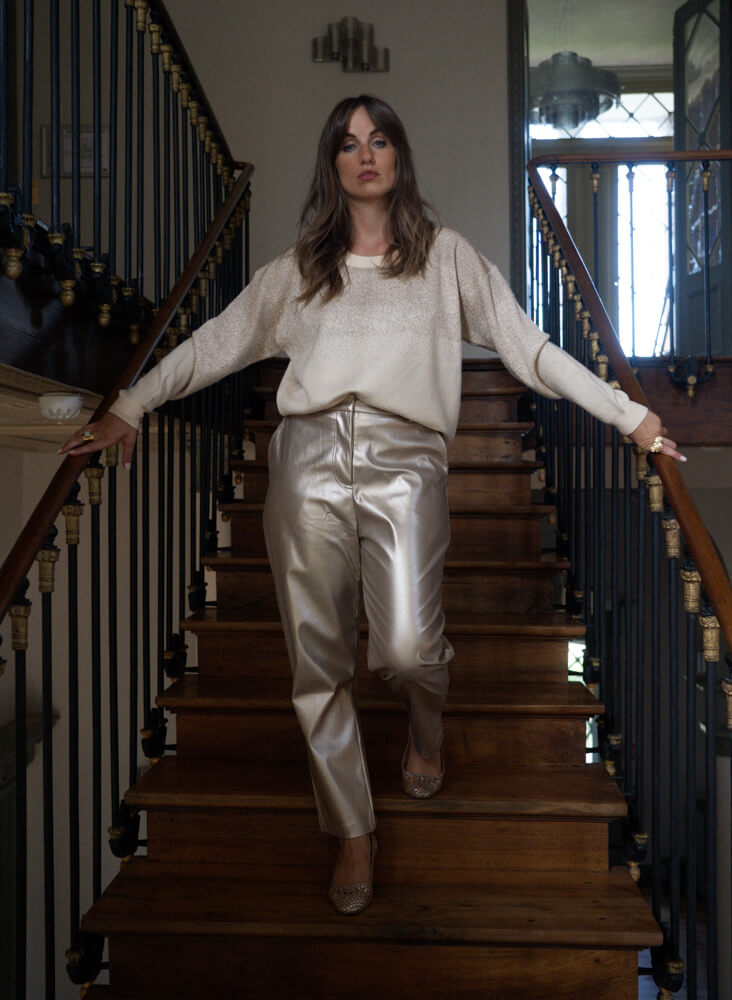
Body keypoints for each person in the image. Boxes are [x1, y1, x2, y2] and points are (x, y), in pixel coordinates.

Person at [60, 94, 686, 916]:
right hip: (307, 461)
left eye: (379, 140)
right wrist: (132, 403)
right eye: (350, 143)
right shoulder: (297, 272)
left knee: (404, 650)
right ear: (332, 162)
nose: (366, 154)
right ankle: (353, 829)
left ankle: (426, 733)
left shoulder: (446, 259)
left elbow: (528, 349)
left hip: (405, 458)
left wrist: (629, 414)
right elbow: (215, 342)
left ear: (398, 157)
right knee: (317, 664)